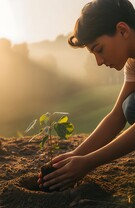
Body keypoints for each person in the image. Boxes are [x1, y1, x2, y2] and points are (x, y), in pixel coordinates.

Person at [38, 0, 135, 191]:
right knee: (129, 105)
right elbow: (117, 116)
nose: (99, 61)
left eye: (99, 49)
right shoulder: (132, 62)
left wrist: (88, 163)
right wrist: (77, 155)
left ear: (122, 30)